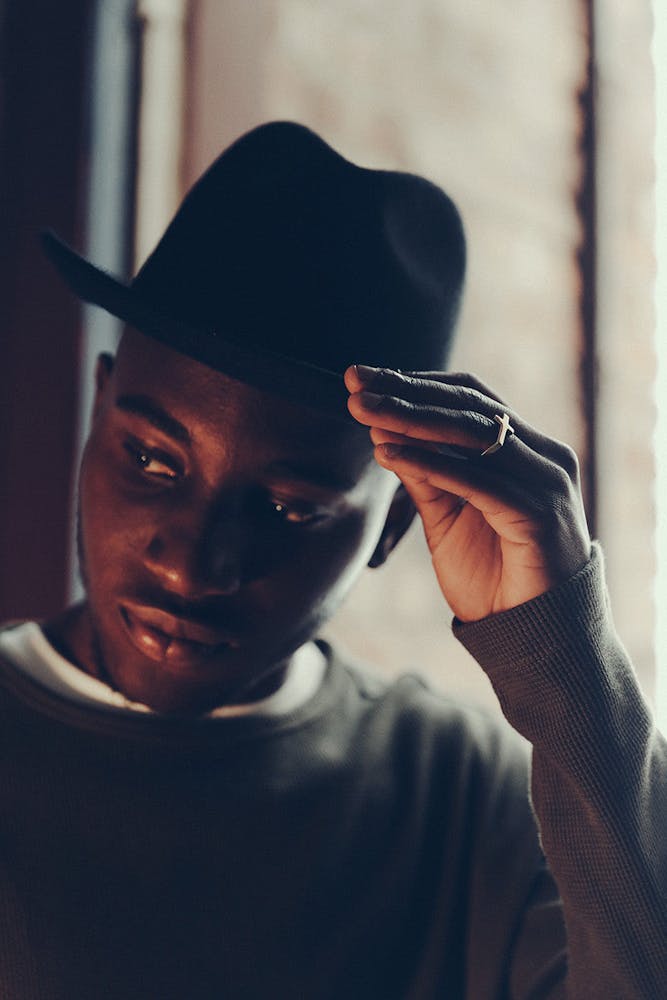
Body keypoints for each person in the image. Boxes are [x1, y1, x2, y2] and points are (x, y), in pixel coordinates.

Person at [0, 121, 664, 998]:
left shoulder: (462, 797)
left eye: (291, 508)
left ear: (393, 527)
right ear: (98, 412)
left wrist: (565, 653)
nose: (193, 568)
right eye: (152, 460)